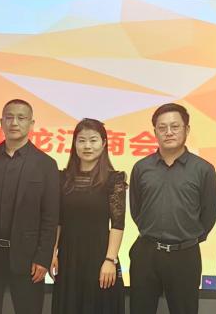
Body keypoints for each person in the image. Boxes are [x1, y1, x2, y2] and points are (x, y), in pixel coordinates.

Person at [129, 103, 216, 314]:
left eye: (175, 126)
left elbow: (209, 214)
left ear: (187, 129)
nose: (168, 132)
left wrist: (187, 238)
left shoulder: (203, 169)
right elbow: (136, 209)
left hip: (185, 255)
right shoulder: (141, 168)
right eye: (162, 127)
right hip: (147, 253)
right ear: (155, 132)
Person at [0, 99, 59, 314]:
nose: (14, 123)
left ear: (31, 123)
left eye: (21, 118)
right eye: (9, 117)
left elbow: (50, 217)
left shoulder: (46, 164)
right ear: (1, 122)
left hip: (28, 258)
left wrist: (43, 258)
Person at [51, 118, 126, 314]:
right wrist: (53, 252)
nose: (87, 146)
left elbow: (118, 224)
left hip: (100, 255)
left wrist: (110, 260)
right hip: (68, 257)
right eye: (82, 140)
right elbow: (58, 220)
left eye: (93, 140)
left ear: (104, 143)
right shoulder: (62, 178)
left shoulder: (114, 179)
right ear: (74, 143)